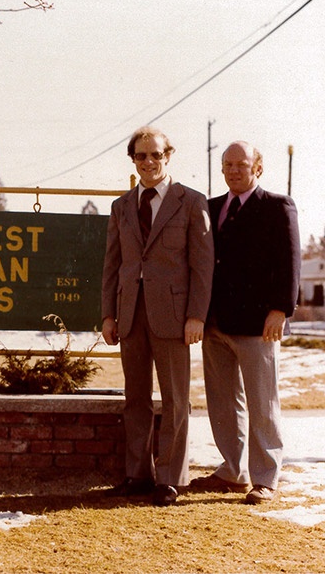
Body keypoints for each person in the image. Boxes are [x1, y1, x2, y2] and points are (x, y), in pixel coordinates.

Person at [101, 126, 214, 506]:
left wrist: (196, 315)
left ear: (169, 156)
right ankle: (138, 474)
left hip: (175, 316)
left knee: (175, 398)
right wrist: (108, 316)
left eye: (155, 155)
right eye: (141, 156)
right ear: (133, 160)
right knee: (136, 397)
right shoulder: (121, 207)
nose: (148, 162)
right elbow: (112, 266)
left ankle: (170, 478)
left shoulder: (191, 201)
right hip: (130, 313)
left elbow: (202, 268)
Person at [191, 141, 300, 504]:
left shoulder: (276, 206)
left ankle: (266, 477)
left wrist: (280, 309)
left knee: (262, 402)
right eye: (228, 164)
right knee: (223, 402)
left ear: (258, 167)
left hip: (258, 323)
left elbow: (289, 261)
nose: (234, 170)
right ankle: (232, 470)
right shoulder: (211, 208)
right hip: (215, 321)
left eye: (241, 164)